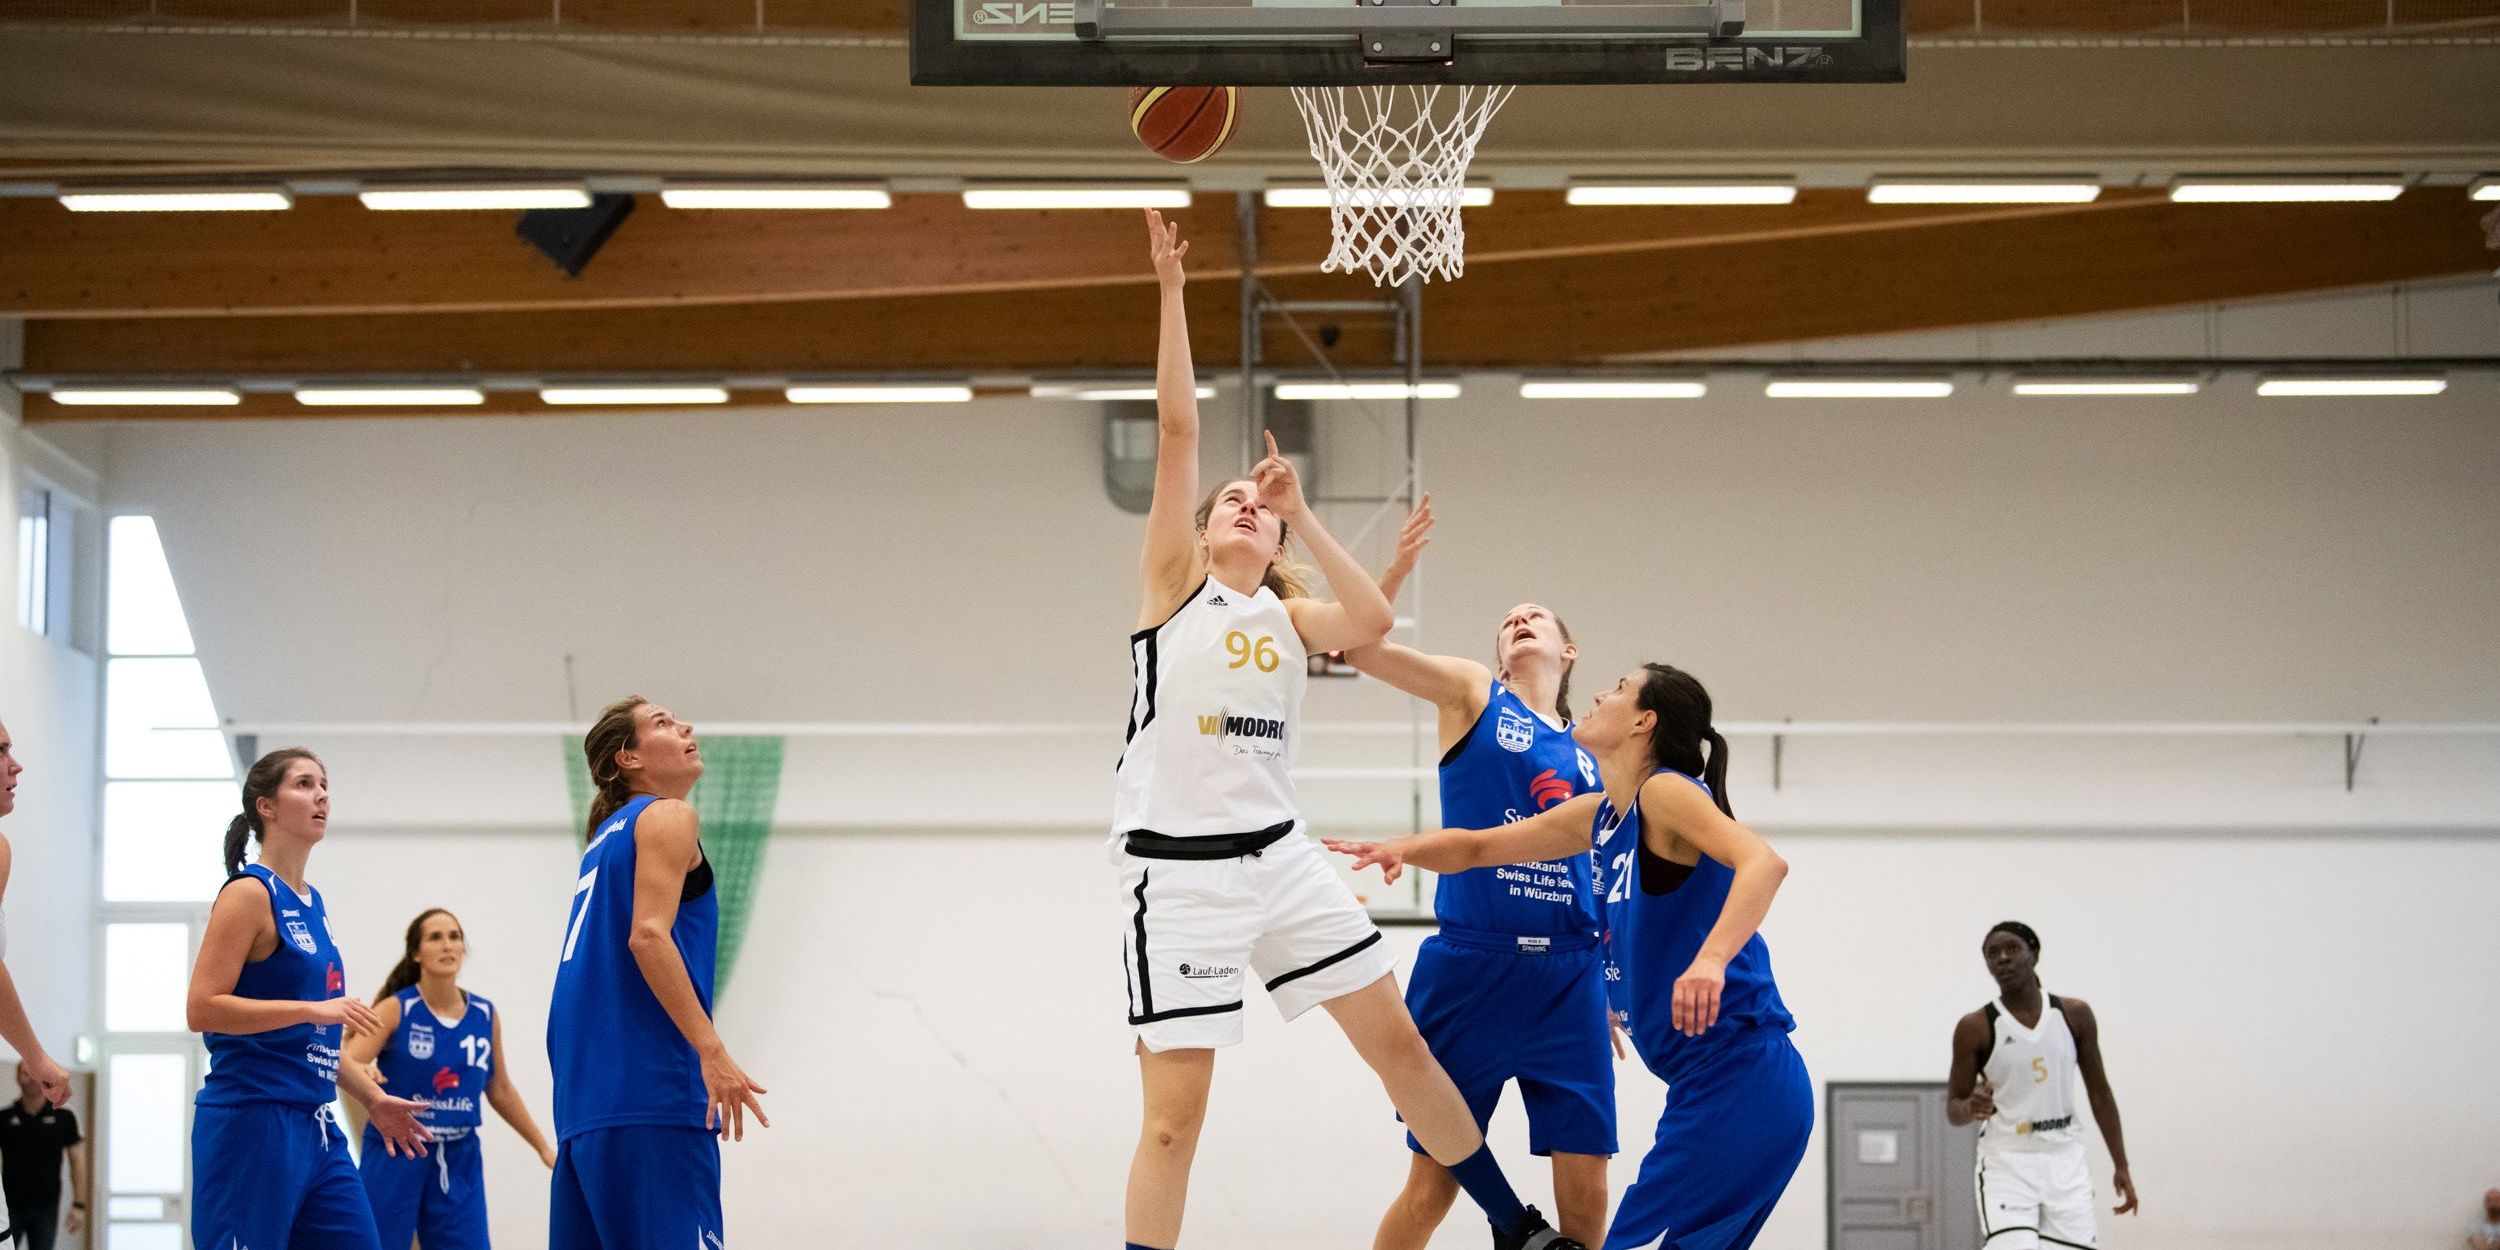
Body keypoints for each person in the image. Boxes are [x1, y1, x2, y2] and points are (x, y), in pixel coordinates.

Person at [1116, 209, 1581, 1250]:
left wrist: (1305, 507)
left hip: (1281, 859)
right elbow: (1183, 432)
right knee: (1172, 1118)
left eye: (1257, 503)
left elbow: (1369, 621)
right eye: (1226, 501)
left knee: (1403, 1049)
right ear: (1197, 533)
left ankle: (1516, 1227)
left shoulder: (1290, 610)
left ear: (1276, 536)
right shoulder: (1170, 593)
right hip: (1177, 873)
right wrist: (1172, 287)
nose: (1239, 503)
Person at [1331, 664, 1814, 1250]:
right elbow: (1481, 845)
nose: (1597, 694)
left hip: (1741, 1077)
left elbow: (1765, 862)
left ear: (1645, 721)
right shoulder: (1603, 817)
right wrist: (1401, 847)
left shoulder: (1665, 791)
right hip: (1721, 1086)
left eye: (1617, 689)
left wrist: (1712, 960)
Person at [1340, 502, 1615, 1250]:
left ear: (1569, 649)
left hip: (1570, 978)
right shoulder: (1472, 693)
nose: (1520, 620)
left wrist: (1614, 985)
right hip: (1474, 965)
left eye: (1536, 616)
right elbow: (1357, 647)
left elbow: (1607, 879)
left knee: (1588, 1202)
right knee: (1430, 1192)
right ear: (1499, 657)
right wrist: (1391, 572)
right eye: (1508, 620)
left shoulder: (1600, 754)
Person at [184, 748, 433, 1250]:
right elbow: (202, 1007)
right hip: (252, 1120)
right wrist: (311, 1009)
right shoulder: (248, 894)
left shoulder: (314, 903)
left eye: (324, 785)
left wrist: (372, 1096)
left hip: (316, 1126)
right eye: (303, 784)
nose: (321, 795)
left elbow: (313, 1042)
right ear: (266, 807)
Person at [548, 698, 766, 1250]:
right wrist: (712, 1052)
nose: (686, 726)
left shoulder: (602, 842)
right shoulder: (668, 815)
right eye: (663, 723)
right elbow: (648, 935)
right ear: (628, 758)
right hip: (653, 1095)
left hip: (585, 1108)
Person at [346, 908, 557, 1249]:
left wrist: (543, 1147)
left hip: (458, 1154)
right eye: (436, 937)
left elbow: (500, 1089)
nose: (448, 945)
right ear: (416, 953)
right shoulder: (396, 1009)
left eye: (455, 936)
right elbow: (347, 1062)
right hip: (398, 1148)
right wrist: (364, 1070)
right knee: (376, 1243)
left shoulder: (484, 1014)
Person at [1946, 921, 2137, 1250]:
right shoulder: (1975, 1027)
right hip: (2008, 1162)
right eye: (1993, 954)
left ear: (2033, 954)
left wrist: (2121, 1164)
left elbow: (2100, 1092)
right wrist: (1970, 1106)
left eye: (2012, 949)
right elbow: (1954, 1108)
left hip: (2065, 1161)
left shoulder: (2074, 1015)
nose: (2003, 958)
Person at [0, 1061, 88, 1250]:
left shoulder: (64, 1116)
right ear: (17, 1078)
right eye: (25, 1073)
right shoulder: (4, 1118)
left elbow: (77, 1161)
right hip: (10, 1206)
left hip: (46, 1207)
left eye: (34, 1072)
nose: (30, 1078)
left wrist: (79, 1204)